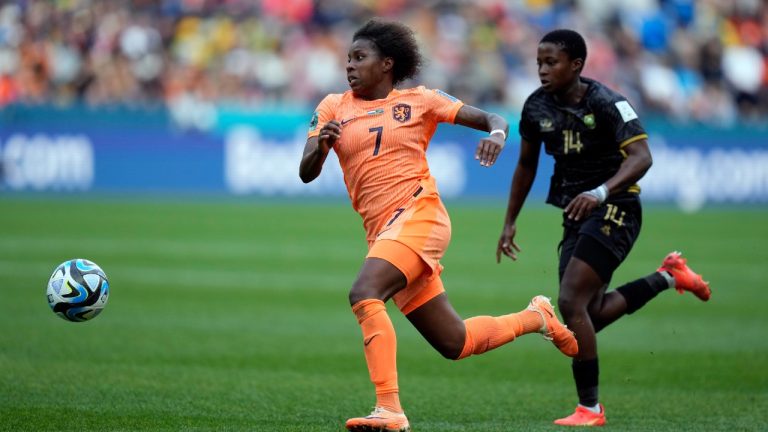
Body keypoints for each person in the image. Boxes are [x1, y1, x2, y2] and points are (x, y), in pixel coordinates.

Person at [299, 19, 578, 432]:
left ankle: (389, 409)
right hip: (385, 232)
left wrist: (498, 136)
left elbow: (494, 119)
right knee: (455, 343)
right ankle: (536, 317)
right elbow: (306, 171)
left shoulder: (421, 100)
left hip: (419, 215)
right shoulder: (332, 107)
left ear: (387, 64)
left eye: (360, 58)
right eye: (348, 59)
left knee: (364, 292)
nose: (350, 67)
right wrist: (321, 145)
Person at [496, 29, 711, 427]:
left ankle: (590, 409)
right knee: (586, 315)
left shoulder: (609, 102)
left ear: (576, 65)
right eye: (538, 62)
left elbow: (642, 156)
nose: (542, 70)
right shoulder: (535, 107)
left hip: (618, 206)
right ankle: (668, 277)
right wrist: (510, 221)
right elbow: (526, 164)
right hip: (575, 212)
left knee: (571, 301)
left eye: (551, 62)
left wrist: (600, 191)